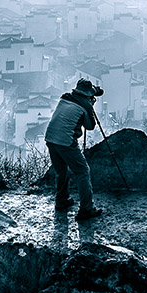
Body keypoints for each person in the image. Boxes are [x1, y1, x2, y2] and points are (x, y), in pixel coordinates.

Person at [44, 78, 103, 221]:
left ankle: (61, 200)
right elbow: (90, 126)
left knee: (61, 171)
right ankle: (86, 209)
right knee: (82, 171)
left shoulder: (65, 97)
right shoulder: (85, 105)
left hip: (50, 138)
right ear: (88, 94)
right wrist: (90, 107)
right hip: (66, 141)